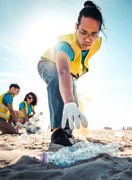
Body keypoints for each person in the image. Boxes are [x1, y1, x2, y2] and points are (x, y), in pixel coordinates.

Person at [37, 1, 105, 146]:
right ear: (76, 28)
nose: (88, 39)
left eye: (94, 34)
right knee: (58, 82)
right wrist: (68, 102)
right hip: (49, 64)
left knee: (71, 93)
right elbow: (62, 71)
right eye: (83, 32)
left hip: (69, 72)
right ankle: (57, 131)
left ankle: (67, 131)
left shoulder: (97, 43)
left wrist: (70, 99)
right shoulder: (66, 45)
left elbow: (69, 74)